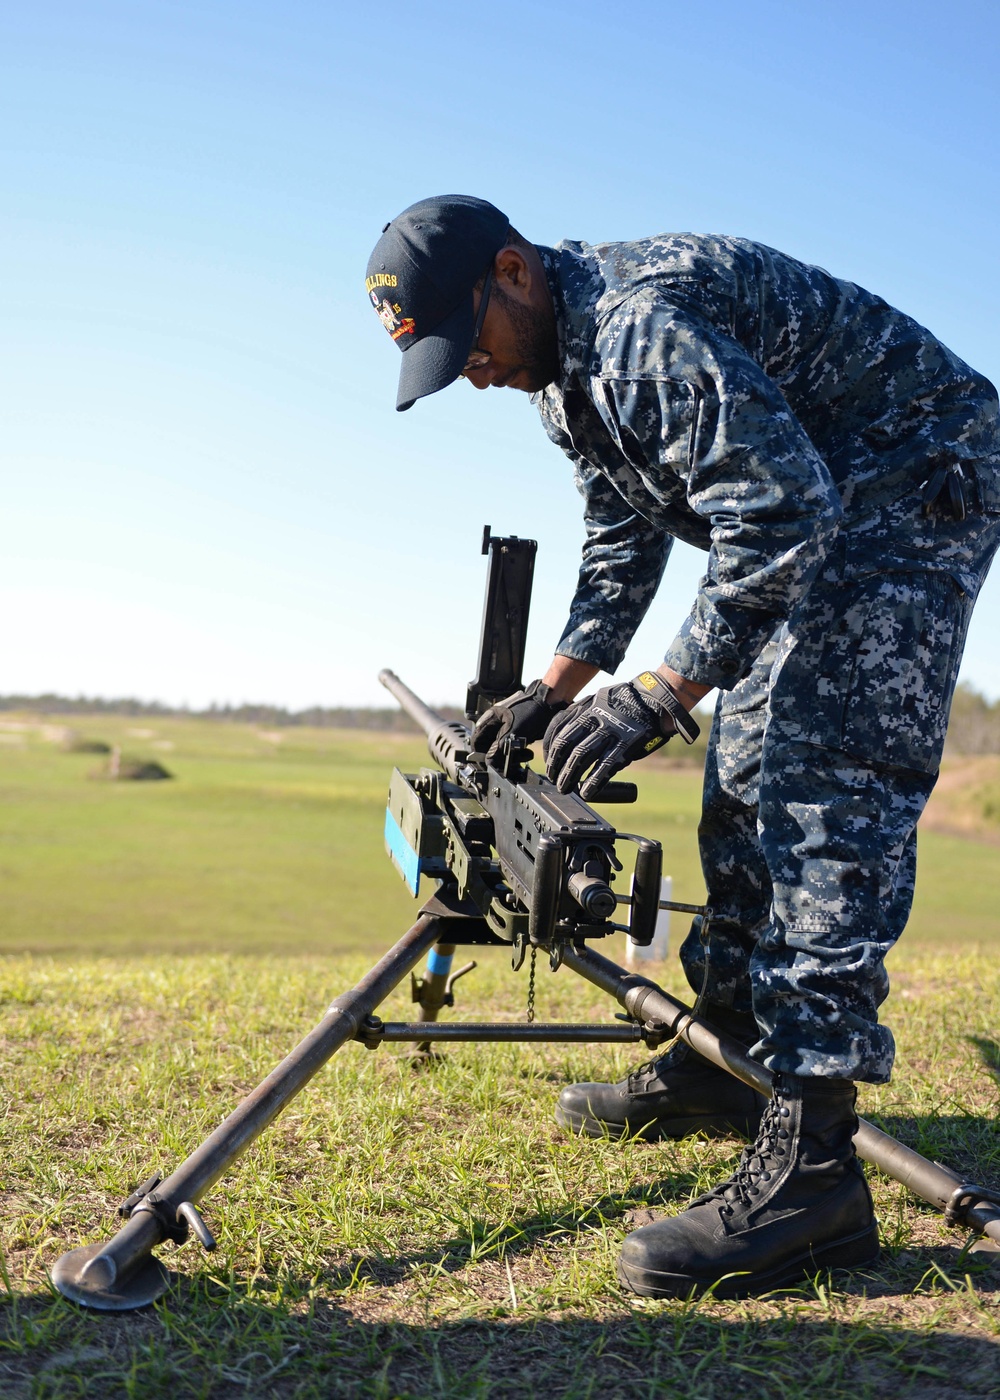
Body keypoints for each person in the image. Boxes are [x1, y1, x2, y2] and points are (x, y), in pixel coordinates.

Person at [365, 195, 1000, 1298]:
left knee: (821, 785)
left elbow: (780, 510)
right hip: (817, 499)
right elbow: (624, 529)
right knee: (740, 774)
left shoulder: (637, 330)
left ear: (511, 271)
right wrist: (554, 690)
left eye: (468, 343)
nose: (470, 371)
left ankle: (814, 1172)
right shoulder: (562, 372)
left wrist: (661, 691)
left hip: (908, 478)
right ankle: (729, 1061)